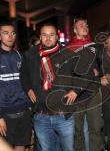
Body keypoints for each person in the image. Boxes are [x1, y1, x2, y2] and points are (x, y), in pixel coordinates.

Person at [20, 23, 79, 151]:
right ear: (40, 37)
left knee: (68, 149)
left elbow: (85, 73)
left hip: (64, 114)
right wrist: (28, 88)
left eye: (51, 35)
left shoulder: (68, 53)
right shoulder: (30, 54)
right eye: (44, 35)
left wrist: (76, 91)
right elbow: (23, 74)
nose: (48, 38)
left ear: (57, 37)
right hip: (41, 116)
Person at [0, 22, 32, 151]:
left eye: (13, 33)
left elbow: (25, 82)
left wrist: (29, 106)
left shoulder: (19, 56)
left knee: (21, 144)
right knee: (5, 147)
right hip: (5, 113)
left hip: (24, 111)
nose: (10, 36)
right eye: (6, 33)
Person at [67, 18, 103, 151]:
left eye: (86, 25)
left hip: (93, 92)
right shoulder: (69, 48)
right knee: (77, 130)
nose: (85, 27)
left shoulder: (95, 46)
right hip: (75, 94)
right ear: (75, 30)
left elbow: (103, 65)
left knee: (96, 128)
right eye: (81, 25)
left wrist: (99, 71)